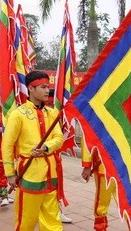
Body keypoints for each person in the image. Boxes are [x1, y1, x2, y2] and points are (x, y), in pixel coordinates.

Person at [2, 70, 64, 231]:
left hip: (51, 173)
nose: (46, 91)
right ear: (30, 88)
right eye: (43, 87)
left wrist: (46, 147)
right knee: (26, 221)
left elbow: (59, 138)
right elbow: (7, 145)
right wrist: (10, 173)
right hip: (30, 173)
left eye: (47, 87)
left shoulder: (52, 112)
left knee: (53, 222)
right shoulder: (18, 114)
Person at [46, 89, 72, 224]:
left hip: (55, 156)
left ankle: (57, 211)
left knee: (56, 185)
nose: (50, 106)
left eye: (53, 104)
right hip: (41, 158)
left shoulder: (54, 113)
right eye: (49, 103)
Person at [81, 135, 116, 231]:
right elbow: (87, 137)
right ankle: (100, 228)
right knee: (102, 202)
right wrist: (87, 165)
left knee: (130, 204)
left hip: (124, 168)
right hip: (104, 167)